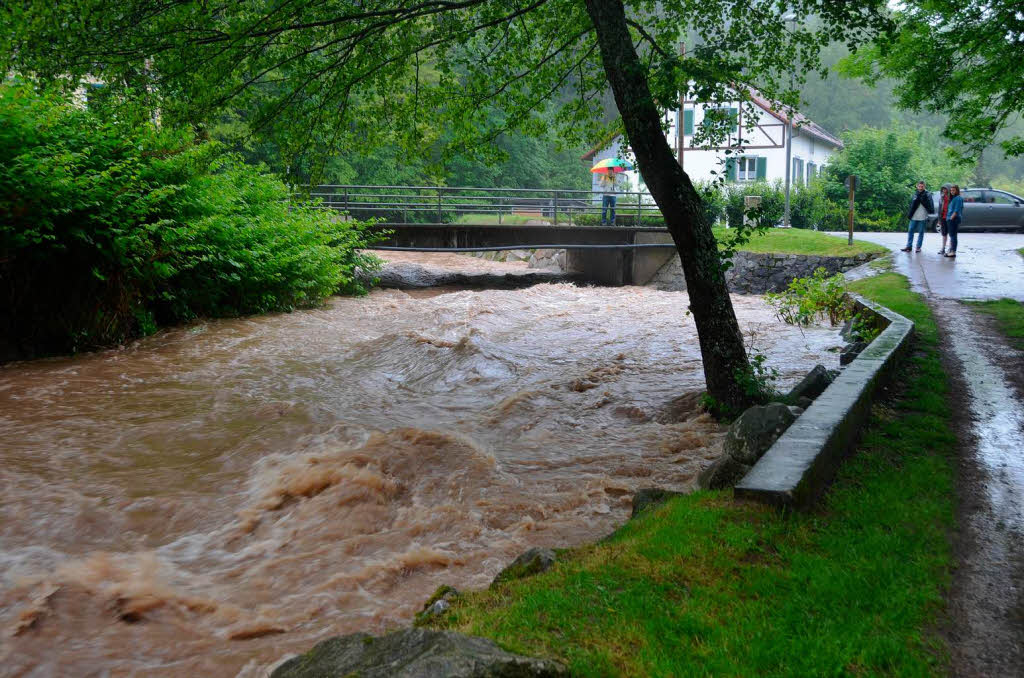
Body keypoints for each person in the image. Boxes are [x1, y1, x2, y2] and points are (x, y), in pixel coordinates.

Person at [901, 180, 935, 252]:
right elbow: (911, 205)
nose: (920, 188)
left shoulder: (927, 194)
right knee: (910, 231)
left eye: (922, 186)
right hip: (914, 216)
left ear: (924, 187)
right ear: (917, 186)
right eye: (919, 186)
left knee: (921, 232)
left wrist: (922, 199)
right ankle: (909, 246)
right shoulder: (915, 194)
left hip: (922, 216)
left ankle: (918, 247)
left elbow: (930, 205)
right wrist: (909, 214)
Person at [945, 184, 963, 258]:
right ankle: (951, 250)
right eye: (951, 190)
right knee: (952, 235)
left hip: (954, 219)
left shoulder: (958, 198)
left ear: (957, 190)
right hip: (950, 218)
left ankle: (953, 251)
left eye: (953, 190)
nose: (952, 192)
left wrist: (951, 218)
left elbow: (956, 210)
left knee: (953, 236)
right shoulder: (953, 198)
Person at [936, 184, 952, 255]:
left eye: (945, 189)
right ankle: (943, 248)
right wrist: (939, 219)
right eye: (943, 189)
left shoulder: (952, 198)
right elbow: (939, 209)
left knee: (951, 234)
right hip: (943, 218)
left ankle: (950, 249)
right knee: (944, 233)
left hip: (950, 218)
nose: (944, 190)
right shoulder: (941, 198)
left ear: (948, 189)